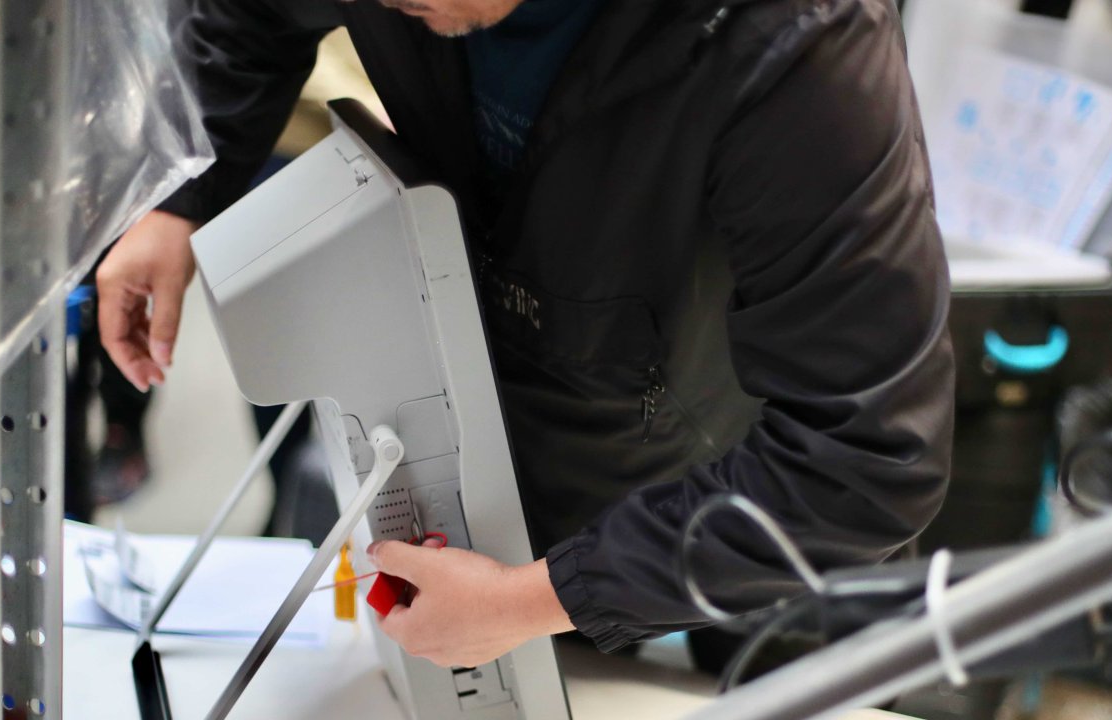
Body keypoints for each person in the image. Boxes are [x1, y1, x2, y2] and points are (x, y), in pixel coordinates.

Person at [96, 0, 955, 670]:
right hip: (526, 443)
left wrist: (540, 599)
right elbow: (247, 19)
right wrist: (183, 195)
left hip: (760, 506)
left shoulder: (799, 44)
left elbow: (866, 458)